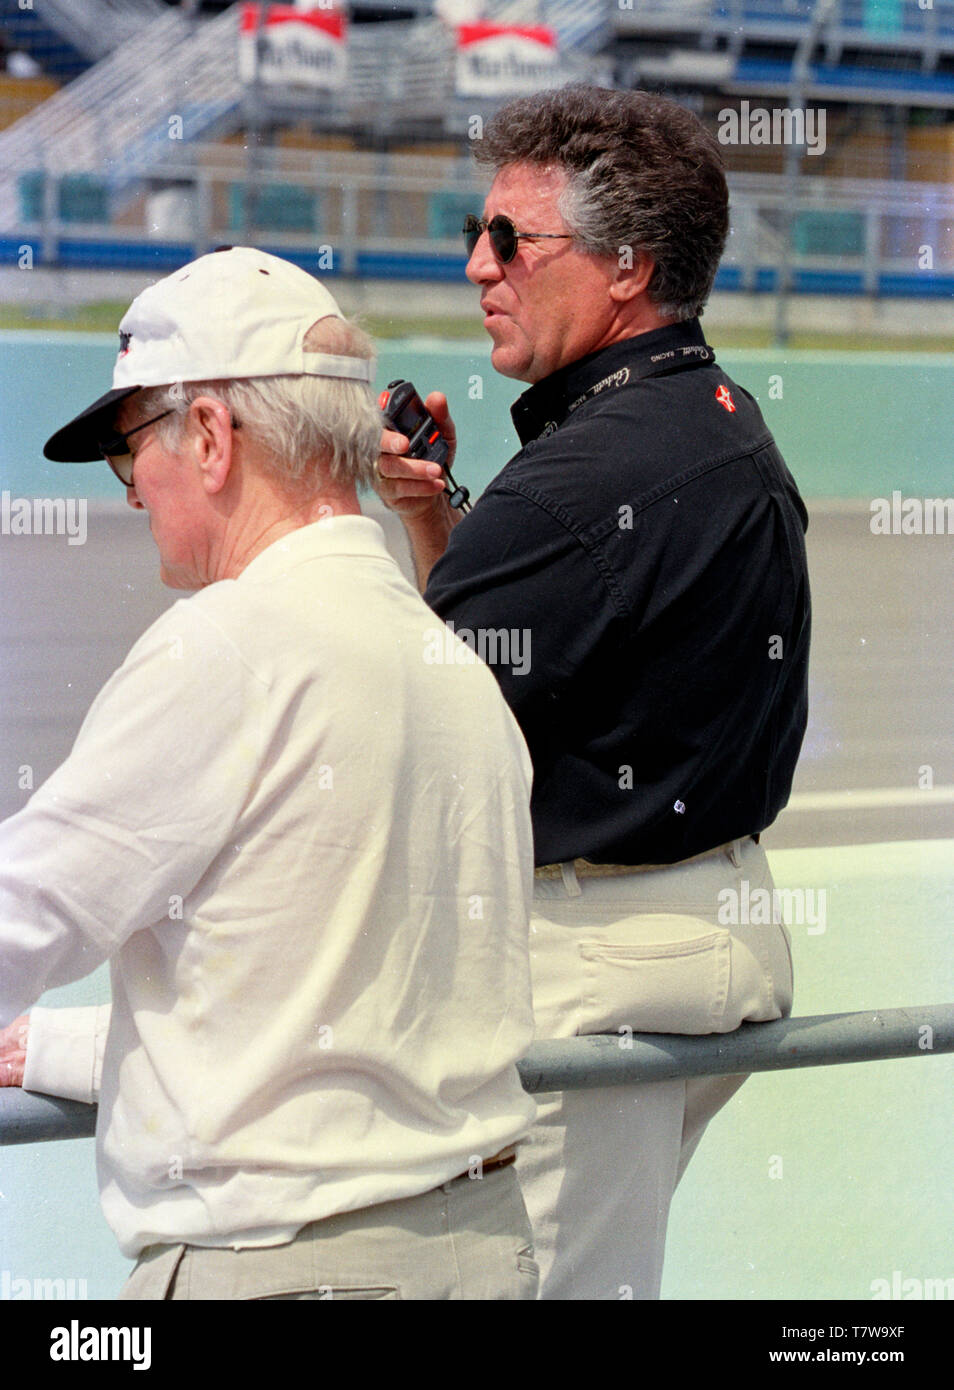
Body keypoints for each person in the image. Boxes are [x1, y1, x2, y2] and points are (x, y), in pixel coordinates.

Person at [0, 246, 540, 1300]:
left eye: (127, 452)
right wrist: (46, 1049)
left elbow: (23, 914)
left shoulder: (224, 647)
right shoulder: (453, 664)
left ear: (208, 435)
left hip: (285, 1266)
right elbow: (309, 1004)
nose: (130, 494)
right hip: (479, 1243)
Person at [374, 85, 810, 1300]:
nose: (478, 265)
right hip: (701, 943)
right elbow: (540, 664)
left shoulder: (578, 481)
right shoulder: (714, 422)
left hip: (594, 970)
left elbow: (417, 730)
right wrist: (434, 516)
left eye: (511, 239)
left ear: (626, 265)